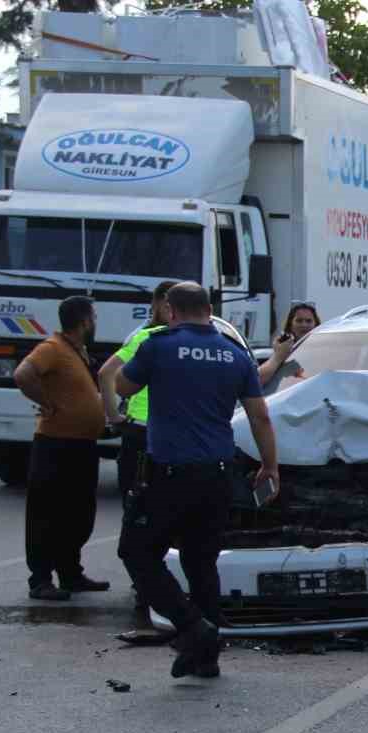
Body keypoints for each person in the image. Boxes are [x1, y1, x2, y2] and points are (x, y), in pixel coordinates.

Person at [107, 283, 279, 679]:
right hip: (217, 476)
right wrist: (270, 466)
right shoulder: (235, 355)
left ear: (170, 310)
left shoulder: (158, 345)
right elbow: (260, 416)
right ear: (210, 310)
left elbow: (123, 386)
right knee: (201, 563)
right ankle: (207, 658)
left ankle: (192, 627)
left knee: (137, 552)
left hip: (168, 475)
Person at [12, 295, 109, 601]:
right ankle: (40, 579)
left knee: (78, 513)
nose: (95, 323)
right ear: (83, 322)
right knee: (47, 514)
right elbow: (22, 375)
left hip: (81, 445)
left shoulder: (76, 351)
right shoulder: (52, 348)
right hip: (55, 444)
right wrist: (47, 402)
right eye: (93, 318)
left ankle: (71, 573)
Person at [99, 280, 176, 498]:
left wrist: (113, 416)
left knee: (135, 505)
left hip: (138, 430)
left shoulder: (142, 336)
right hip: (172, 432)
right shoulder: (189, 341)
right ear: (161, 304)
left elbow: (105, 373)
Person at [259, 301, 320, 387]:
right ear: (290, 325)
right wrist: (278, 356)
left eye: (308, 321)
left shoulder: (322, 350)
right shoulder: (283, 350)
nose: (304, 325)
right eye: (299, 321)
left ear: (316, 325)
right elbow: (256, 381)